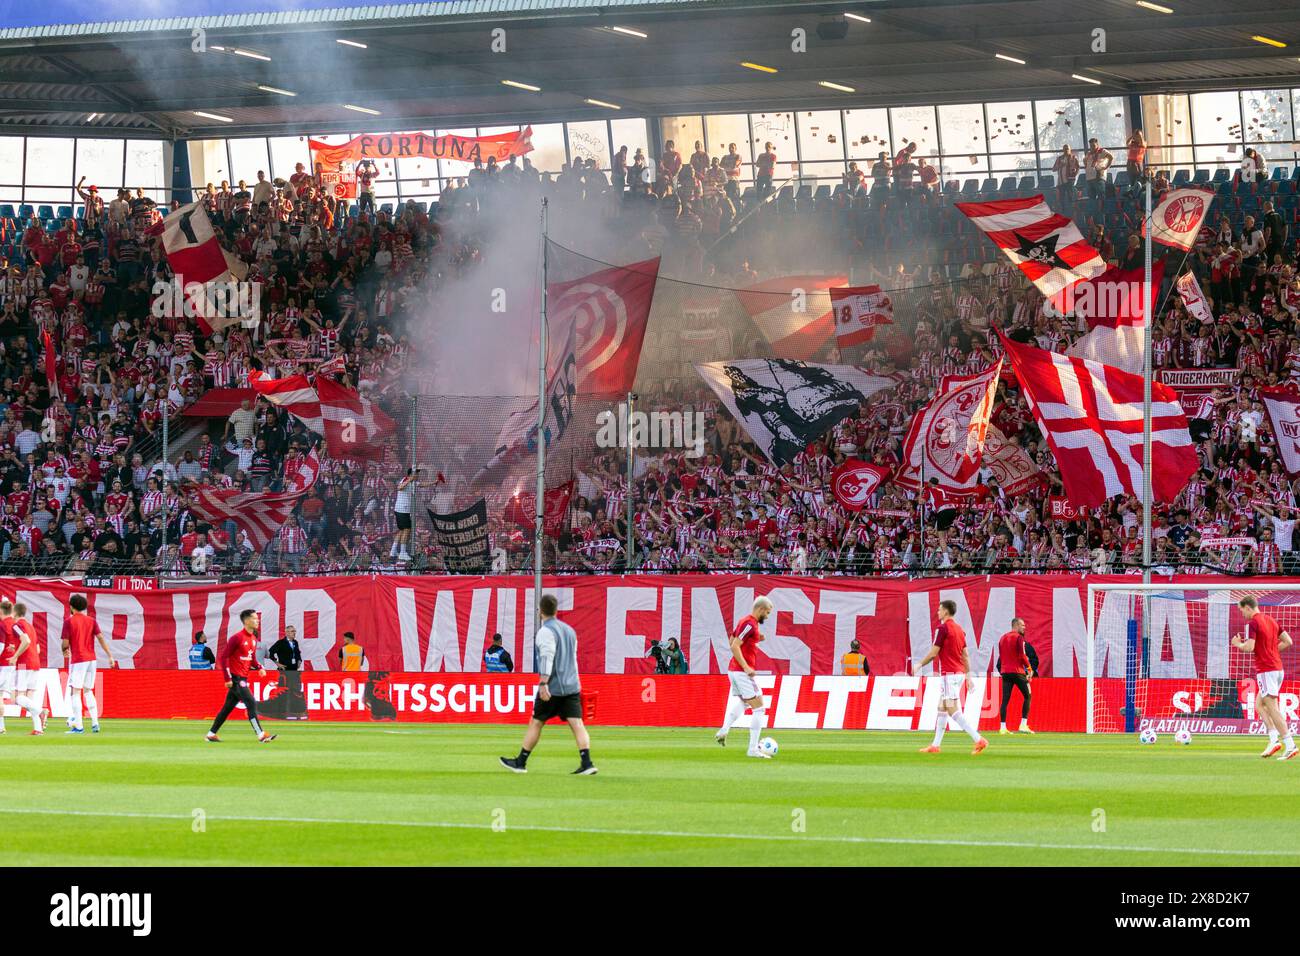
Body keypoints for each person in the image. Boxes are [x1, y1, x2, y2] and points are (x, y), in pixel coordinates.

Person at [499, 593, 597, 775]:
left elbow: (547, 657)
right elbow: (572, 659)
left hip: (553, 687)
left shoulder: (545, 632)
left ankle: (521, 761)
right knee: (577, 723)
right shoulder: (569, 630)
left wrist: (543, 683)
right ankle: (587, 762)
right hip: (572, 684)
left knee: (536, 722)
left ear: (540, 611)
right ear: (556, 610)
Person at [916, 599, 988, 755]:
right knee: (941, 708)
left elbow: (934, 653)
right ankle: (935, 746)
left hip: (949, 674)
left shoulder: (943, 629)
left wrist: (919, 664)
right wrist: (968, 677)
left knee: (952, 709)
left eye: (939, 610)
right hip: (959, 673)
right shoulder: (960, 630)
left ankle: (979, 739)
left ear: (946, 612)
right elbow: (966, 655)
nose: (938, 612)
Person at [1231, 596, 1295, 759]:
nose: (1242, 614)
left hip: (1266, 670)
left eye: (1241, 610)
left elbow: (1250, 647)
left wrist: (1238, 644)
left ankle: (1290, 744)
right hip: (1277, 668)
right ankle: (1274, 740)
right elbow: (1288, 641)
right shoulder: (1271, 620)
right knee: (1259, 704)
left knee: (1272, 707)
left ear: (1248, 607)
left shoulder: (1253, 623)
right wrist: (1271, 652)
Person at [205, 609, 277, 744]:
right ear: (247, 621)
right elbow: (223, 657)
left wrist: (260, 667)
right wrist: (227, 678)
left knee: (227, 708)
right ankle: (261, 735)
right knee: (251, 702)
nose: (258, 620)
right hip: (236, 679)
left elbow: (252, 659)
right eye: (255, 618)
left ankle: (211, 734)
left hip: (243, 678)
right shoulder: (237, 638)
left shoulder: (254, 639)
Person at [714, 595, 773, 757]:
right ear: (760, 609)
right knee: (760, 708)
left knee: (744, 702)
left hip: (734, 671)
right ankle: (753, 749)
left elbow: (732, 639)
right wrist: (746, 667)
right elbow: (734, 646)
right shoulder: (750, 624)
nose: (767, 616)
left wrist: (756, 638)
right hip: (741, 672)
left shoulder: (744, 621)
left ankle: (724, 730)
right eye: (767, 613)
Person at [61, 592, 117, 734]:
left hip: (79, 660)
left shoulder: (69, 621)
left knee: (75, 692)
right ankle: (95, 723)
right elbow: (100, 638)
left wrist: (64, 650)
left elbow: (65, 643)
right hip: (92, 660)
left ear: (72, 607)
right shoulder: (91, 621)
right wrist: (110, 656)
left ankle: (78, 726)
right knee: (88, 691)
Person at [13, 604, 48, 734]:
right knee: (29, 698)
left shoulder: (16, 625)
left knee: (18, 698)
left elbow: (26, 641)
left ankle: (41, 711)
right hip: (35, 663)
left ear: (15, 613)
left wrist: (15, 655)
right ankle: (38, 728)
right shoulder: (31, 627)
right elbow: (37, 649)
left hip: (24, 664)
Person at [996, 617, 1033, 735]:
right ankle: (1023, 725)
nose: (1024, 627)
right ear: (1016, 625)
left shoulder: (1002, 638)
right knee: (1028, 695)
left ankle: (1002, 727)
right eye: (1022, 625)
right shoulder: (1019, 638)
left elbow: (1001, 658)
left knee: (1005, 700)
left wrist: (1002, 670)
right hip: (1018, 672)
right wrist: (1029, 668)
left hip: (1006, 672)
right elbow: (1022, 656)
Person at [268, 623, 308, 719]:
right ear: (286, 633)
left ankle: (297, 711)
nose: (294, 633)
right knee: (285, 690)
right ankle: (283, 711)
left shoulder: (295, 642)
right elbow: (271, 652)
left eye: (294, 631)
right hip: (285, 670)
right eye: (292, 631)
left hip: (294, 670)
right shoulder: (280, 643)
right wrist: (277, 663)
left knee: (296, 690)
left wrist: (299, 661)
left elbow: (297, 653)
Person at [392, 468, 417, 561]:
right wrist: (410, 479)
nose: (417, 476)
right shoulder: (406, 479)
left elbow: (422, 485)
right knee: (407, 530)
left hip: (401, 510)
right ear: (411, 474)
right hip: (403, 510)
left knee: (401, 530)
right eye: (416, 474)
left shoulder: (413, 482)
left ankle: (393, 550)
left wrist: (434, 482)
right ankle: (402, 552)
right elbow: (399, 487)